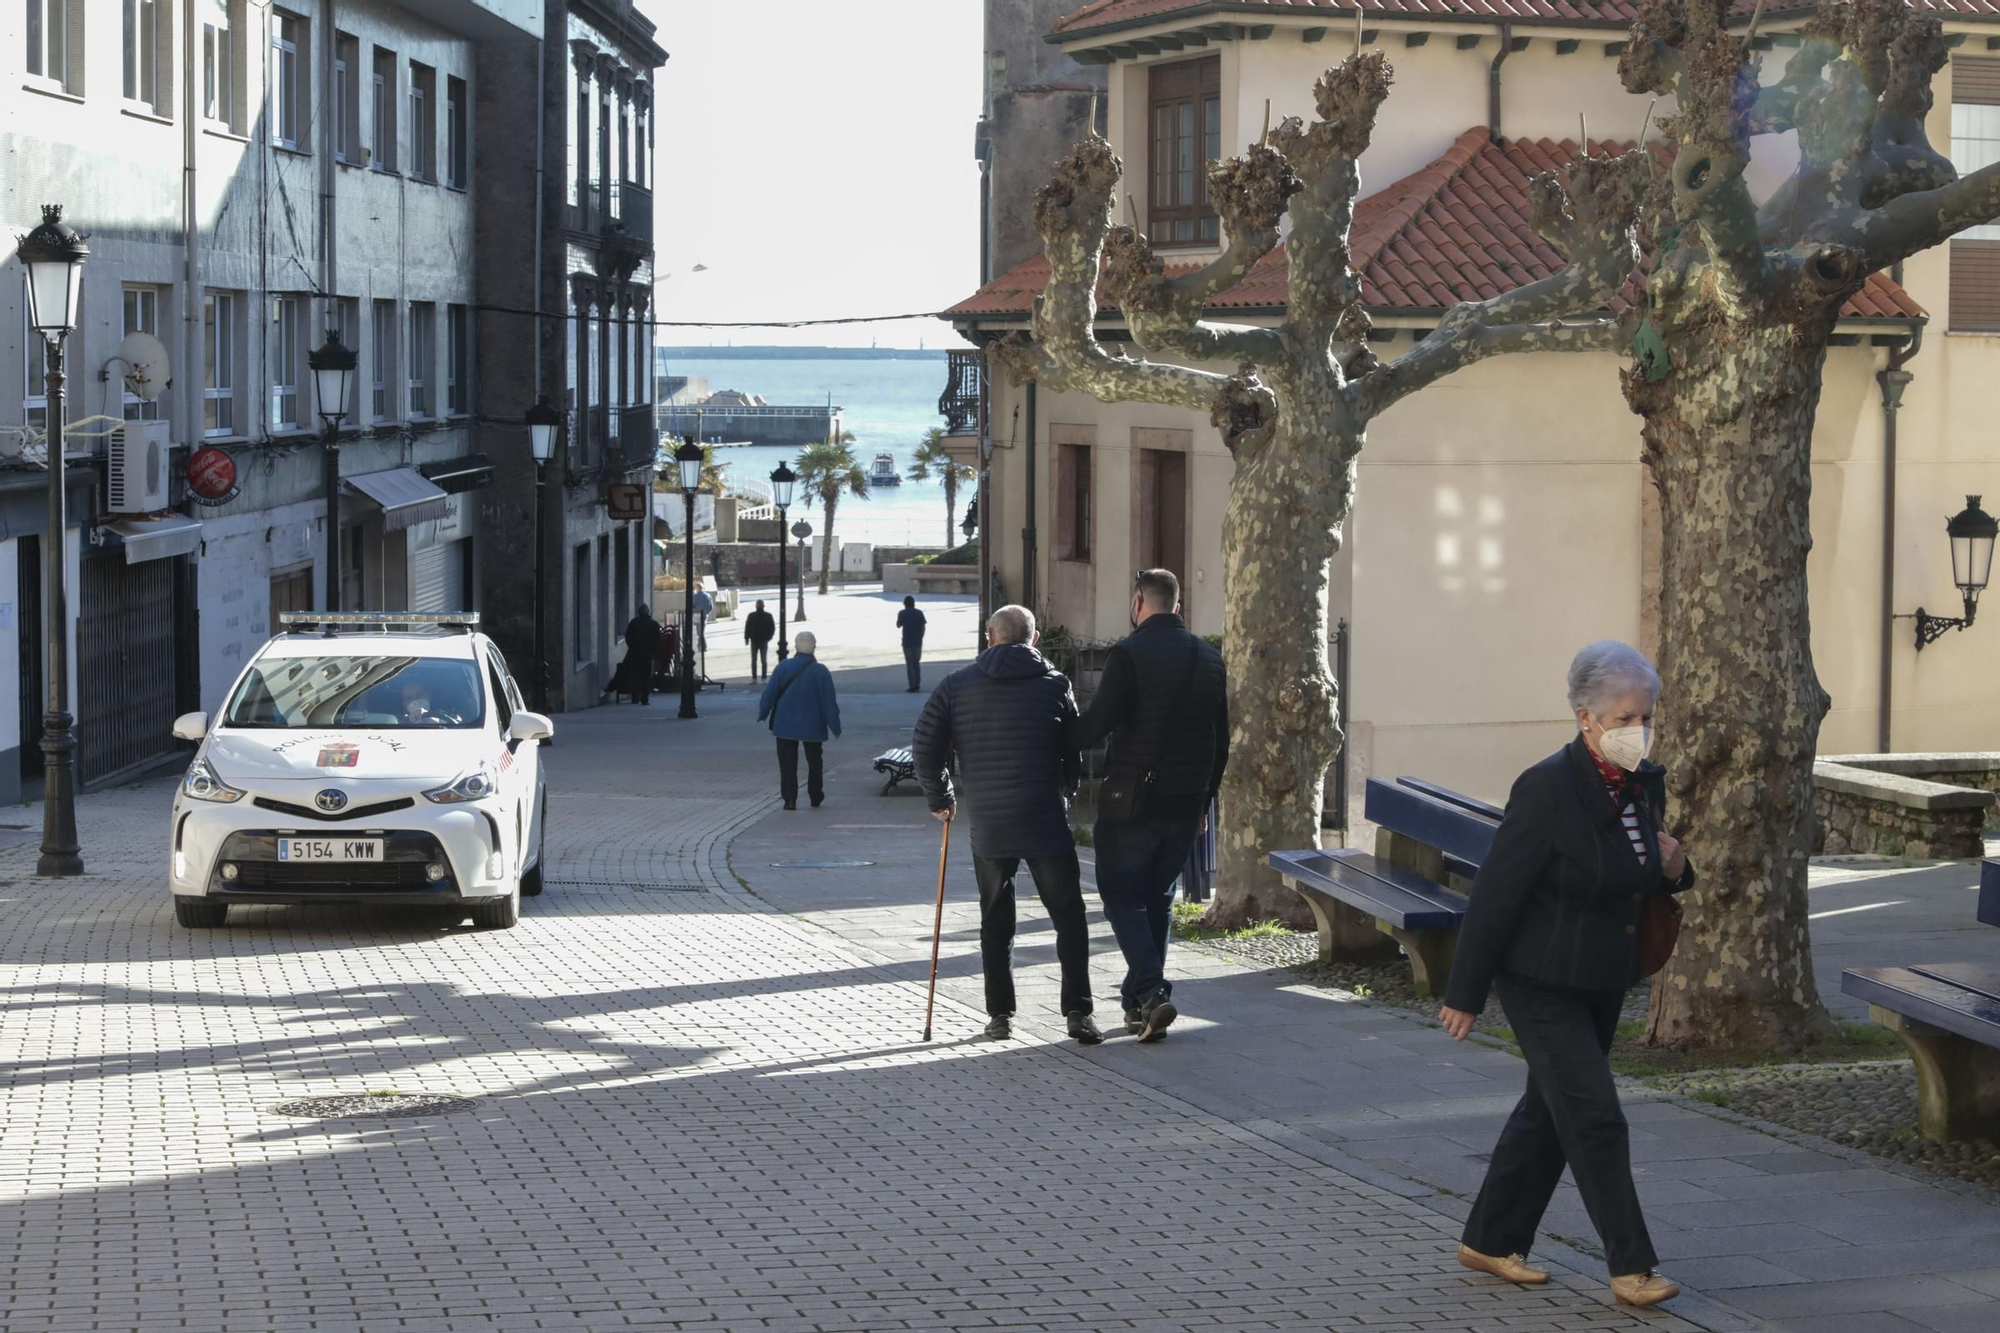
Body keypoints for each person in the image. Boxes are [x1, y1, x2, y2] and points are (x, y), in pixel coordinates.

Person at [1439, 641, 1695, 1309]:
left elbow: (1648, 872)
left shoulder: (1644, 779)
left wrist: (1676, 867)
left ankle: (1490, 1238)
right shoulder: (1546, 787)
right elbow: (1495, 893)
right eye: (1623, 716)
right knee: (1595, 1116)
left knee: (1547, 1112)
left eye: (1646, 714)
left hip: (1604, 976)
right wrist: (1465, 993)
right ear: (1586, 718)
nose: (1637, 727)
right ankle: (1632, 1266)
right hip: (1540, 978)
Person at [912, 604, 1099, 1046]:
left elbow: (925, 744)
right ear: (1034, 640)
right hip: (1044, 818)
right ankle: (1078, 1013)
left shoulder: (956, 686)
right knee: (1069, 917)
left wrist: (942, 798)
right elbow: (1072, 749)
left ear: (988, 636)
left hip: (990, 824)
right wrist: (1065, 794)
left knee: (996, 920)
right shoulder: (1055, 684)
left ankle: (1000, 1015)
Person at [1076, 569, 1227, 1042]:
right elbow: (1220, 741)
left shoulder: (1129, 654)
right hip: (1186, 803)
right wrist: (1205, 800)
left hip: (1133, 802)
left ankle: (1151, 991)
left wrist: (1053, 734)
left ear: (1139, 602)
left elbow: (1097, 725)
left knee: (1121, 896)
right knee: (1158, 899)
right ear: (1177, 606)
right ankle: (1139, 1007)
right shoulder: (1210, 658)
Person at [756, 631, 840, 811]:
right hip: (813, 725)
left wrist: (763, 713)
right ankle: (815, 796)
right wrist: (835, 726)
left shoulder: (783, 667)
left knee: (787, 763)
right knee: (815, 762)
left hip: (785, 724)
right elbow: (829, 702)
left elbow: (769, 694)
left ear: (795, 647)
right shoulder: (821, 671)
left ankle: (790, 799)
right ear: (813, 648)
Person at [607, 605, 661, 705]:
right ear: (648, 613)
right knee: (645, 677)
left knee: (631, 673)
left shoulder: (634, 622)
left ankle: (631, 695)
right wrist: (653, 653)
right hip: (647, 654)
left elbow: (628, 636)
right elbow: (657, 640)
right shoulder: (654, 624)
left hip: (634, 652)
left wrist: (633, 647)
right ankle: (644, 699)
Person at [896, 595, 927, 692]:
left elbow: (898, 625)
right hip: (917, 641)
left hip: (907, 642)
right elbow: (923, 627)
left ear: (905, 604)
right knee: (916, 663)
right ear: (914, 603)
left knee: (910, 664)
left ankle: (912, 685)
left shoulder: (902, 613)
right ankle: (917, 684)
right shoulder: (919, 613)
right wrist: (921, 637)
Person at [744, 599, 776, 680]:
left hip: (756, 640)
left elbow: (747, 627)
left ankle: (755, 677)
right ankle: (763, 676)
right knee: (763, 660)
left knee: (755, 660)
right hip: (762, 640)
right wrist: (769, 637)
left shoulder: (751, 616)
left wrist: (747, 638)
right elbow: (772, 628)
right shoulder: (768, 616)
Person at [691, 585, 713, 656]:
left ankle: (703, 646)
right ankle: (700, 645)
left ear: (698, 588)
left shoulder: (696, 596)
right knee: (701, 631)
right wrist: (707, 613)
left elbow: (692, 605)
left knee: (699, 632)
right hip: (705, 615)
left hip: (697, 615)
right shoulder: (708, 596)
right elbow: (711, 607)